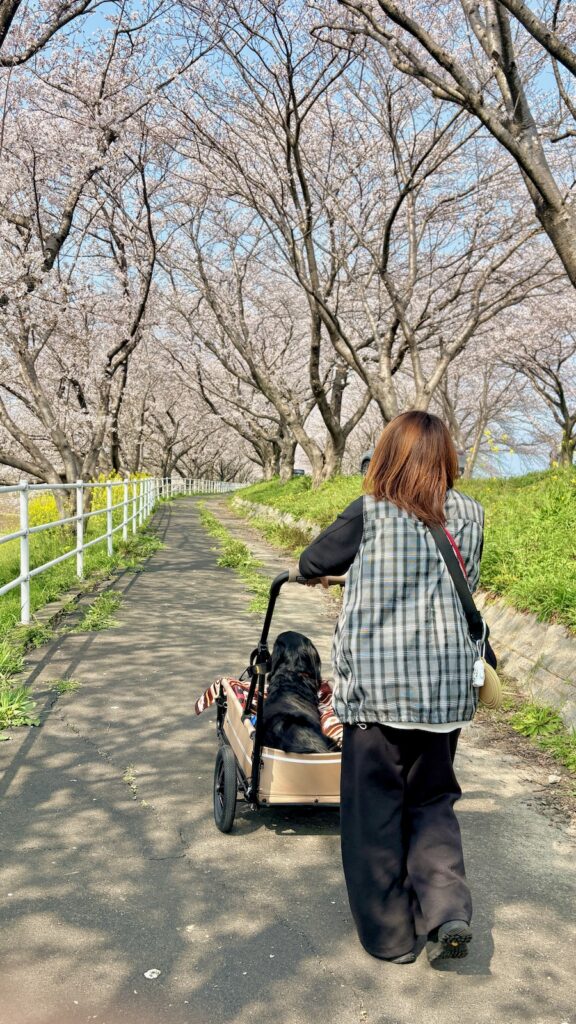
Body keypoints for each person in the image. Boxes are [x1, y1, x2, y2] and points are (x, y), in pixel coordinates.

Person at [298, 411, 485, 965]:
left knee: (374, 812)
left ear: (387, 458)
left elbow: (313, 560)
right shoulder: (471, 515)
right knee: (433, 800)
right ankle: (447, 906)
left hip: (379, 694)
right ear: (446, 458)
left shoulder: (372, 510)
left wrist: (342, 572)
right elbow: (461, 585)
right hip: (446, 695)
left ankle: (392, 938)